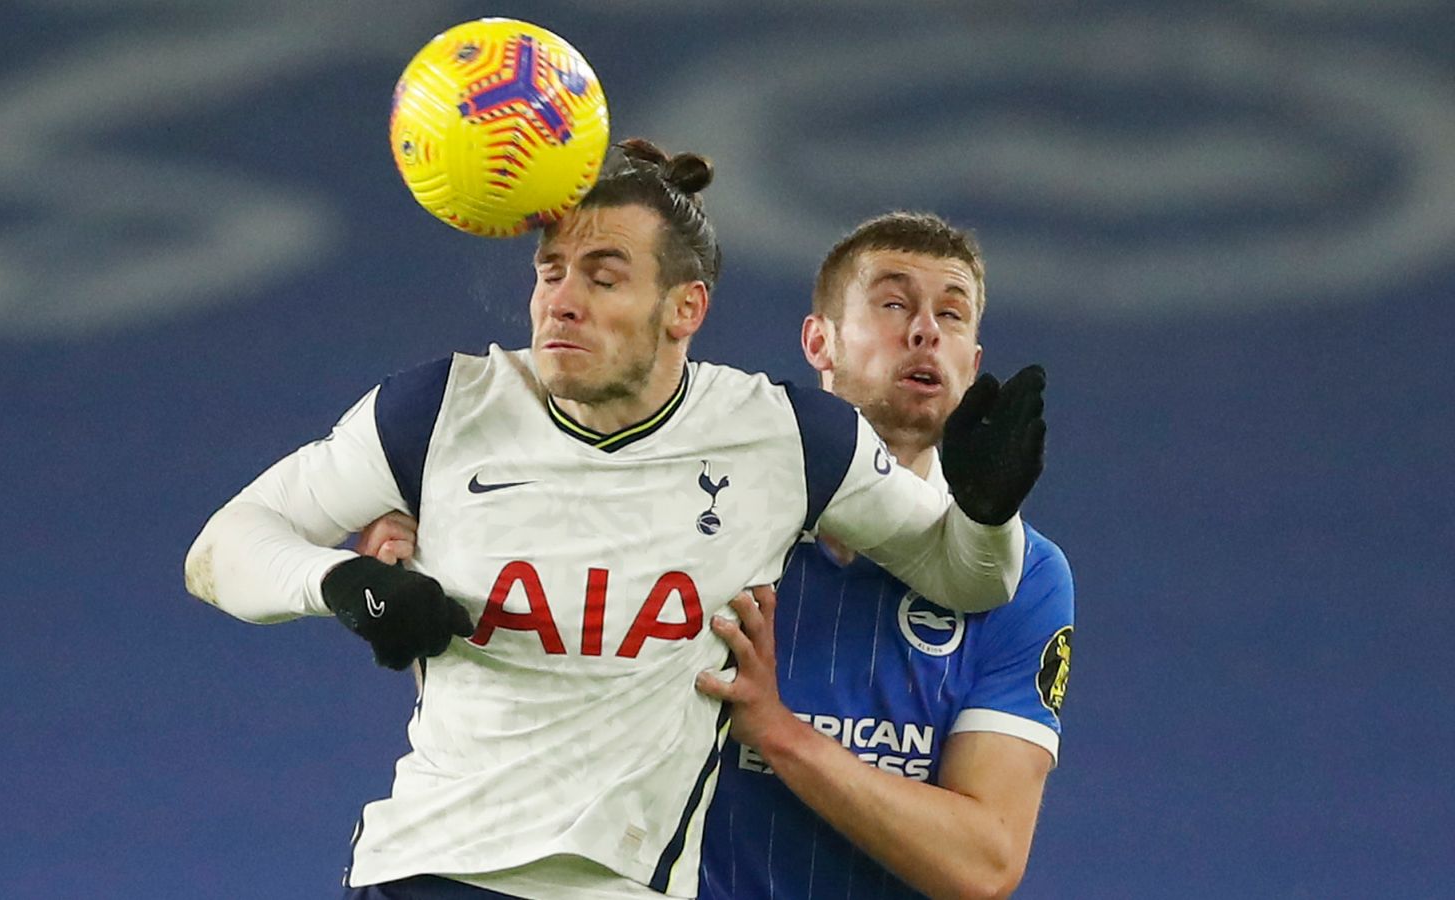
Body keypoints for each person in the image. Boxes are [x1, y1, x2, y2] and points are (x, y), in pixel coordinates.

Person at [185, 143, 1047, 900]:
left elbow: (970, 577)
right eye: (551, 272)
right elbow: (222, 548)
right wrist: (340, 583)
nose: (563, 301)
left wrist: (988, 510)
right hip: (426, 870)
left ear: (685, 309)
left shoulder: (784, 436)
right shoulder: (440, 409)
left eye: (603, 278)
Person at [694, 212, 1074, 900]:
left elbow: (982, 864)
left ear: (973, 365)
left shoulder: (1030, 577)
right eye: (894, 304)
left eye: (952, 315)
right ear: (821, 341)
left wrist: (778, 733)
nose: (925, 330)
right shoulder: (712, 521)